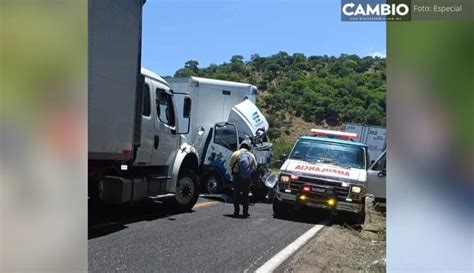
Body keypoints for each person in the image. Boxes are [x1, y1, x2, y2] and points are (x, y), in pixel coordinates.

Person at [229, 141, 257, 218]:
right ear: (249, 147)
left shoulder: (236, 153)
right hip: (247, 178)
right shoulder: (251, 155)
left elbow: (230, 164)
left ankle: (236, 212)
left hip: (237, 177)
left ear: (241, 146)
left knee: (236, 195)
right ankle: (245, 212)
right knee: (245, 196)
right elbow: (255, 167)